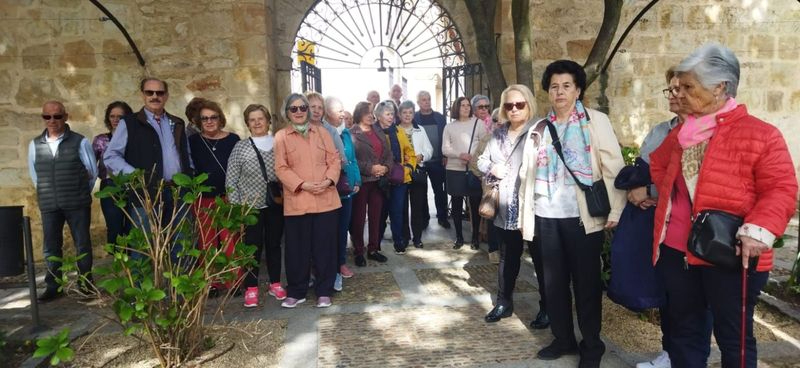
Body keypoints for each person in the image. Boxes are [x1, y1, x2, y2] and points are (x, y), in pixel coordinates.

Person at [649, 44, 797, 368]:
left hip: (731, 254)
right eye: (679, 87)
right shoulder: (681, 133)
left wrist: (758, 230)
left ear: (719, 87)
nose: (680, 94)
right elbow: (657, 164)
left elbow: (781, 188)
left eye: (689, 87)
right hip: (677, 252)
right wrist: (672, 202)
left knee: (734, 339)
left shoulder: (761, 134)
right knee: (684, 333)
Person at [518, 60, 626, 367]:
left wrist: (617, 209)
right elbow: (527, 175)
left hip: (583, 218)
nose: (560, 92)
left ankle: (591, 346)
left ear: (577, 90)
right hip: (546, 216)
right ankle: (563, 339)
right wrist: (526, 218)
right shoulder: (539, 128)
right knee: (552, 284)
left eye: (566, 86)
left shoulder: (595, 121)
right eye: (554, 86)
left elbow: (613, 166)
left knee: (586, 285)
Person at [616, 68, 686, 368]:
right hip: (657, 227)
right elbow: (644, 170)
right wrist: (636, 190)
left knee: (689, 303)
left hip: (687, 229)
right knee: (667, 295)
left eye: (679, 89)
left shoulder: (704, 132)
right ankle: (669, 353)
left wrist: (651, 190)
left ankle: (685, 356)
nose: (673, 95)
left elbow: (688, 180)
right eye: (670, 89)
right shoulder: (660, 131)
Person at [478, 85, 549, 330]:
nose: (514, 109)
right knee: (507, 258)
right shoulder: (498, 134)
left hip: (533, 209)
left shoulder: (541, 130)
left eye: (520, 104)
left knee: (541, 260)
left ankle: (547, 307)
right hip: (505, 207)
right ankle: (503, 303)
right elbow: (481, 160)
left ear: (529, 104)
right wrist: (492, 168)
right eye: (509, 105)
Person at [104, 78, 193, 260]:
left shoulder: (177, 122)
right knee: (144, 247)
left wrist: (189, 177)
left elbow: (186, 154)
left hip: (177, 191)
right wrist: (135, 175)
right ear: (142, 95)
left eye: (159, 93)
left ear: (166, 96)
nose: (155, 96)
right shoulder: (129, 123)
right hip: (146, 193)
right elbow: (111, 156)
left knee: (180, 245)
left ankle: (179, 280)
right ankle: (144, 280)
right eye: (149, 92)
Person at [274, 93, 342, 308]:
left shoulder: (323, 133)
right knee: (297, 250)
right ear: (287, 113)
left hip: (325, 199)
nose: (299, 112)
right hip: (298, 200)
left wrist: (329, 180)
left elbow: (334, 160)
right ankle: (296, 291)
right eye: (293, 108)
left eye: (302, 107)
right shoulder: (281, 136)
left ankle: (324, 290)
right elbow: (280, 168)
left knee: (325, 248)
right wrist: (302, 184)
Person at [28, 101, 97, 302]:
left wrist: (79, 191)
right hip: (50, 204)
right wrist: (49, 193)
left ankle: (86, 284)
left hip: (77, 203)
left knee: (82, 245)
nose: (52, 120)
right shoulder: (34, 145)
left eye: (57, 116)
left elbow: (92, 172)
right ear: (43, 118)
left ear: (65, 117)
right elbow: (35, 177)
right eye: (47, 116)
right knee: (50, 247)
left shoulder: (80, 142)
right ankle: (54, 286)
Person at [226, 104, 287, 308]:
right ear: (247, 124)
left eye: (261, 118)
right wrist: (237, 207)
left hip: (275, 204)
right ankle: (251, 287)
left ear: (268, 120)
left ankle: (275, 283)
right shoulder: (240, 147)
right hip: (250, 207)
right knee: (252, 247)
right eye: (252, 120)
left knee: (274, 245)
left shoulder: (279, 143)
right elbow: (231, 180)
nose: (257, 122)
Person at [187, 99, 240, 295]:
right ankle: (212, 283)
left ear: (220, 119)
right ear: (199, 122)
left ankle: (233, 281)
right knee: (206, 241)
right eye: (204, 118)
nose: (209, 121)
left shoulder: (233, 139)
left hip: (228, 197)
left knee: (230, 239)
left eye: (213, 117)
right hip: (203, 198)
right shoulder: (193, 142)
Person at [350, 101, 393, 266]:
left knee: (376, 217)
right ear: (359, 114)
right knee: (359, 218)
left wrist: (385, 168)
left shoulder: (378, 130)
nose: (370, 115)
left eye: (371, 112)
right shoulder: (351, 133)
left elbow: (389, 154)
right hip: (362, 182)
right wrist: (371, 169)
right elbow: (351, 160)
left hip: (378, 182)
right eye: (366, 112)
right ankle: (359, 251)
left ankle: (373, 249)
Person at [324, 96, 360, 291]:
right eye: (339, 111)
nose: (342, 114)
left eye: (343, 110)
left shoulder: (346, 133)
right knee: (330, 229)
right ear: (328, 113)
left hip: (346, 188)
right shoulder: (323, 132)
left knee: (343, 228)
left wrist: (357, 181)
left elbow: (352, 160)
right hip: (330, 188)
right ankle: (330, 265)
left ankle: (341, 262)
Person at [442, 96, 487, 249]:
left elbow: (484, 144)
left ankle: (475, 238)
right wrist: (459, 155)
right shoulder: (449, 127)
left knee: (474, 205)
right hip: (454, 169)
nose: (466, 108)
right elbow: (445, 149)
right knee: (456, 205)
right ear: (457, 107)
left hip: (473, 169)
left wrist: (473, 158)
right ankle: (459, 237)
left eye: (468, 105)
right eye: (463, 105)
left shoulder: (478, 123)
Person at [375, 100, 417, 254]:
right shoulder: (373, 132)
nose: (391, 117)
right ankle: (375, 244)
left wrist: (409, 168)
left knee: (397, 212)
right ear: (379, 116)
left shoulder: (399, 131)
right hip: (379, 179)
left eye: (392, 114)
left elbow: (410, 152)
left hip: (399, 178)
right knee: (380, 213)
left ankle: (398, 242)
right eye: (387, 114)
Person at [93, 101, 133, 247]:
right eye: (112, 116)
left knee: (132, 225)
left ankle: (133, 256)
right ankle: (117, 257)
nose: (116, 119)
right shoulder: (101, 140)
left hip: (131, 185)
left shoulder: (134, 139)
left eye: (120, 117)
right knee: (114, 226)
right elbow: (91, 165)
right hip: (109, 186)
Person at [398, 100, 433, 248]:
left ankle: (417, 238)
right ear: (399, 114)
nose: (407, 115)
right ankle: (405, 237)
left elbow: (429, 149)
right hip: (401, 172)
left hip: (418, 171)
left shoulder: (420, 129)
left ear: (414, 114)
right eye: (404, 112)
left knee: (417, 206)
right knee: (403, 207)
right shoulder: (395, 130)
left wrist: (422, 156)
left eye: (410, 112)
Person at [415, 91, 450, 229]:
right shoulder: (415, 118)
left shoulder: (440, 118)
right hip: (421, 162)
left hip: (437, 161)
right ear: (418, 102)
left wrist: (445, 155)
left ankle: (442, 217)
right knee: (421, 192)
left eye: (428, 99)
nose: (427, 102)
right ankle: (424, 218)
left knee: (439, 191)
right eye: (423, 100)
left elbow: (446, 138)